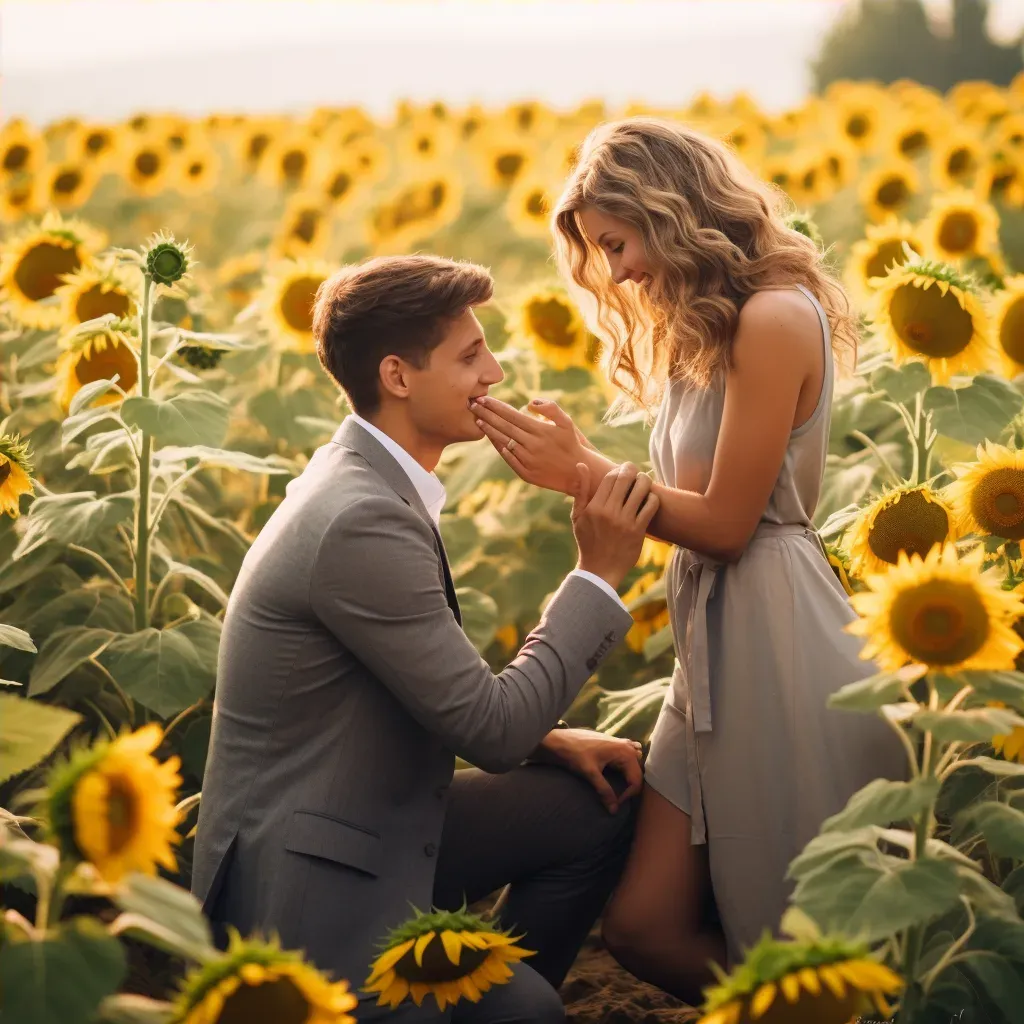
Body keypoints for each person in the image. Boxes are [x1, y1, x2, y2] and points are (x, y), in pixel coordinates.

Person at [469, 117, 907, 1003]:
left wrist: (581, 471)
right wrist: (587, 468)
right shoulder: (705, 329)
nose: (619, 271)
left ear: (672, 210)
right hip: (713, 638)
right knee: (644, 926)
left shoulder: (776, 316)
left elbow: (731, 524)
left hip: (777, 629)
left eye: (619, 244)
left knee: (797, 928)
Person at [191, 253, 661, 1023]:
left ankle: (473, 993)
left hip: (362, 819)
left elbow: (416, 689)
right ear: (398, 377)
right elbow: (494, 730)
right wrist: (599, 573)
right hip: (308, 898)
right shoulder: (361, 518)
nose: (497, 374)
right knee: (532, 1014)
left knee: (590, 809)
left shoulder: (363, 480)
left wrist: (548, 741)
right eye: (471, 356)